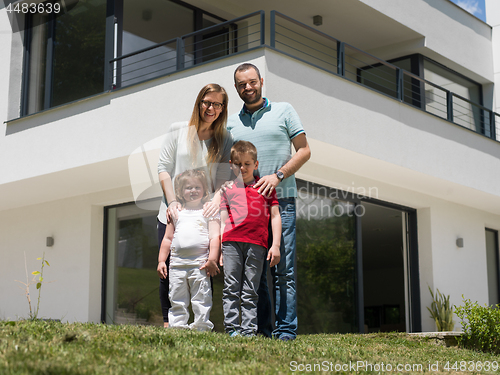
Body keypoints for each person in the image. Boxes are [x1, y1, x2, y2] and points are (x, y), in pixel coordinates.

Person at [226, 63, 311, 341]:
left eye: (251, 82)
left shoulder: (284, 110)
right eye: (241, 84)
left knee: (283, 270)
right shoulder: (231, 123)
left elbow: (305, 150)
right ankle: (260, 330)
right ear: (236, 88)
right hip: (245, 208)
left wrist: (278, 175)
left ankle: (285, 331)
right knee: (255, 274)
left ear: (261, 81)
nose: (247, 87)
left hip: (281, 201)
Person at [157, 83, 232, 327]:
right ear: (199, 103)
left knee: (203, 267)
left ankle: (201, 323)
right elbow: (163, 170)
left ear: (222, 109)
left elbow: (223, 178)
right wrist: (171, 203)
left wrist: (216, 201)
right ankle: (170, 324)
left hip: (204, 216)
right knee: (169, 268)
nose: (211, 108)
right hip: (173, 213)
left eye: (217, 104)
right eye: (207, 102)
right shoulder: (178, 130)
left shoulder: (224, 138)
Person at [220, 140, 281, 337]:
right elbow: (222, 220)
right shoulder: (227, 189)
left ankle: (248, 331)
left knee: (251, 290)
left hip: (258, 245)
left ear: (256, 164)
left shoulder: (266, 188)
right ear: (232, 165)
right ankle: (231, 329)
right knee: (231, 287)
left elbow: (275, 216)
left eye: (247, 163)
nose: (243, 168)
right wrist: (220, 248)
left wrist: (276, 245)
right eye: (238, 164)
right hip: (231, 244)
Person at [157, 169, 220, 330]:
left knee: (201, 297)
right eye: (188, 188)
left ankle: (201, 325)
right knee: (177, 296)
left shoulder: (208, 211)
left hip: (200, 264)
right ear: (180, 191)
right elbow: (167, 238)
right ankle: (177, 326)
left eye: (197, 187)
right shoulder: (176, 212)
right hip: (176, 264)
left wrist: (212, 259)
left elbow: (214, 237)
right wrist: (161, 261)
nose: (193, 191)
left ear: (204, 190)